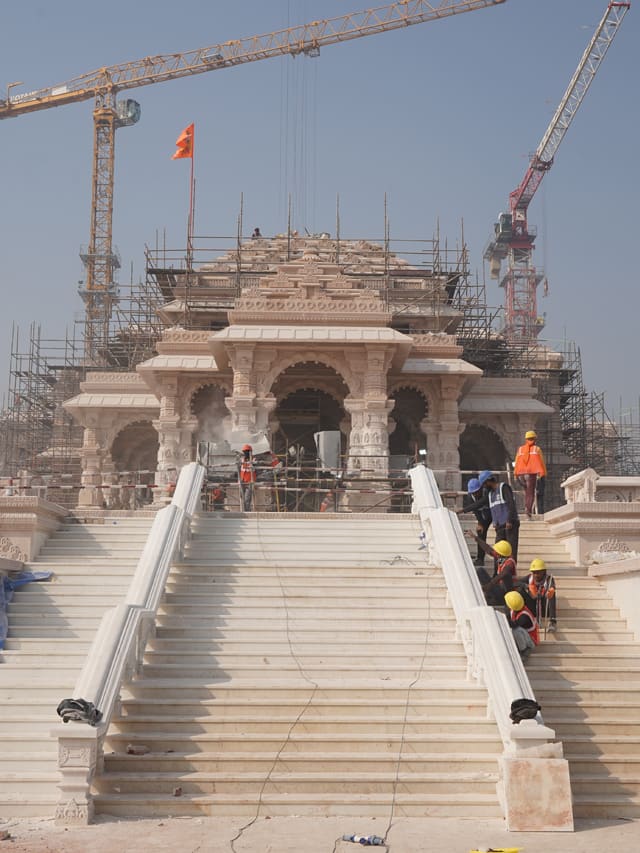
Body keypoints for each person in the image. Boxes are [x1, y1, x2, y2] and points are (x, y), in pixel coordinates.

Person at [480, 470, 520, 561]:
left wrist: (509, 520)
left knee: (511, 551)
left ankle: (511, 572)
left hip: (510, 525)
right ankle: (496, 572)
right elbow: (485, 506)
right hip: (500, 527)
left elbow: (511, 504)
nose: (484, 487)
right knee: (497, 551)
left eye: (484, 484)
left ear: (488, 481)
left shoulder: (503, 487)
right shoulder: (490, 494)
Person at [457, 477, 492, 567]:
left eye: (477, 492)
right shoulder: (470, 497)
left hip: (493, 514)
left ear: (481, 488)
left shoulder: (486, 492)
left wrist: (463, 510)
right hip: (483, 516)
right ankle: (480, 559)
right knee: (480, 533)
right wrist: (480, 522)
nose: (475, 494)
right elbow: (475, 510)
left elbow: (479, 503)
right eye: (473, 493)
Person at [514, 430, 547, 518]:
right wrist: (543, 473)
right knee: (530, 493)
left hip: (521, 475)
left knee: (526, 492)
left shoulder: (520, 449)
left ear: (526, 439)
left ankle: (526, 507)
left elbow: (516, 461)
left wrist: (515, 474)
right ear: (535, 439)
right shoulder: (537, 449)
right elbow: (541, 462)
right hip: (531, 474)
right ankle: (528, 509)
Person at [477, 539, 518, 606]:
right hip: (499, 589)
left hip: (507, 593)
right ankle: (492, 597)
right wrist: (476, 538)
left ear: (501, 553)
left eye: (497, 552)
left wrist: (489, 585)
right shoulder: (501, 559)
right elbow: (488, 549)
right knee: (480, 571)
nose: (495, 553)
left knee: (506, 576)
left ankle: (496, 599)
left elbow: (503, 574)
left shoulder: (510, 562)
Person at [505, 590, 539, 661]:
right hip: (523, 637)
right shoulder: (514, 610)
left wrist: (506, 617)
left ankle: (524, 650)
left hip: (530, 642)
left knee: (516, 630)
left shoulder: (524, 615)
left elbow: (514, 625)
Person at [527, 558, 557, 633]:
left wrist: (548, 592)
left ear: (544, 572)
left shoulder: (549, 579)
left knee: (551, 593)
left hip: (545, 607)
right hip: (533, 606)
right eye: (534, 572)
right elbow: (516, 583)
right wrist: (527, 587)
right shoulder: (529, 578)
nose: (536, 575)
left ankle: (552, 622)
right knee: (520, 591)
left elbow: (552, 587)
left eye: (538, 572)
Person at [238, 444, 256, 512]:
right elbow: (240, 469)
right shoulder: (242, 460)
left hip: (249, 482)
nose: (245, 453)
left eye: (247, 452)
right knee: (242, 498)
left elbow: (256, 467)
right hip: (242, 481)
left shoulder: (253, 460)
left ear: (250, 452)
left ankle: (247, 512)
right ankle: (243, 511)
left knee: (247, 499)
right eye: (244, 452)